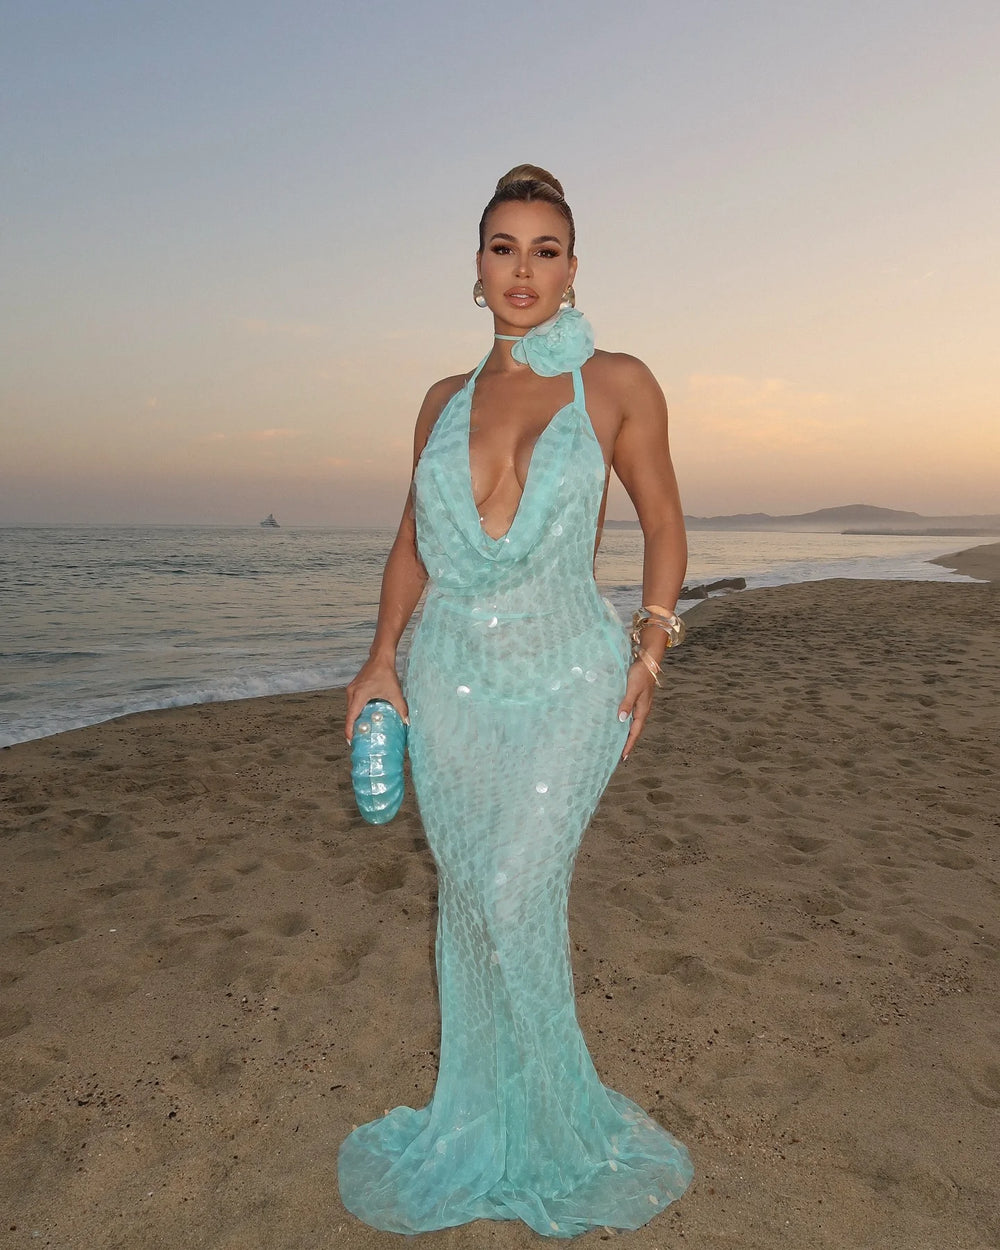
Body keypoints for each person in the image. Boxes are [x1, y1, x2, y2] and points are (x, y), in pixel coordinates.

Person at [338, 164, 693, 1237]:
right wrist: (378, 658)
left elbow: (666, 524)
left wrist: (652, 640)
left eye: (545, 249)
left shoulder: (616, 382)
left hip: (571, 673)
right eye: (503, 247)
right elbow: (410, 544)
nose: (523, 268)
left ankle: (563, 1127)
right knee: (469, 904)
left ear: (573, 268)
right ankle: (489, 1120)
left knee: (510, 887)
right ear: (477, 267)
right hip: (445, 678)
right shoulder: (441, 401)